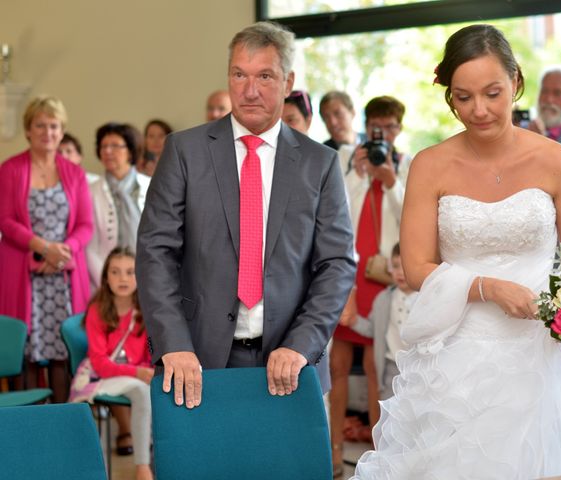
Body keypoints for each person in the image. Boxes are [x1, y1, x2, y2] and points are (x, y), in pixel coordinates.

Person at [352, 24, 561, 479]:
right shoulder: (430, 165)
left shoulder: (560, 161)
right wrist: (486, 287)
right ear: (449, 96)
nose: (479, 110)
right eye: (463, 98)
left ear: (516, 82)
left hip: (543, 349)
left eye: (492, 93)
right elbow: (417, 266)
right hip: (460, 349)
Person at [136, 20, 355, 417]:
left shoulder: (319, 163)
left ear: (288, 82)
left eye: (264, 76)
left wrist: (301, 344)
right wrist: (174, 344)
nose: (249, 90)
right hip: (195, 363)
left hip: (290, 363)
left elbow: (336, 264)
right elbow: (155, 253)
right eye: (239, 74)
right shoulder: (185, 152)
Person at [330, 95, 411, 475]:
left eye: (391, 127)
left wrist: (391, 182)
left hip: (383, 280)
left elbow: (410, 222)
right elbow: (337, 212)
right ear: (367, 127)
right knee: (337, 366)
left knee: (378, 369)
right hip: (349, 278)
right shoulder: (349, 158)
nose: (385, 134)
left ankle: (383, 455)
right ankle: (332, 453)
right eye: (378, 127)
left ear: (399, 128)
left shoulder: (408, 164)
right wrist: (360, 176)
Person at [0, 95, 93, 403]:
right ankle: (27, 426)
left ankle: (63, 424)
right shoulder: (11, 169)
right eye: (40, 125)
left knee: (62, 354)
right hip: (25, 274)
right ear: (28, 130)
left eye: (53, 126)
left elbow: (85, 225)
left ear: (62, 130)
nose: (47, 132)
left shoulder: (75, 173)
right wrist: (42, 247)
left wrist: (62, 251)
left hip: (63, 276)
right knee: (27, 352)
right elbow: (6, 220)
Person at [84, 246, 153, 480]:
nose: (122, 278)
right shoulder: (97, 310)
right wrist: (138, 372)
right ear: (105, 277)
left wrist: (148, 371)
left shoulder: (146, 308)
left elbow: (151, 355)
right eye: (115, 272)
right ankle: (142, 467)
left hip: (139, 375)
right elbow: (100, 363)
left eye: (129, 272)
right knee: (142, 391)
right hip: (104, 378)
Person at [86, 122, 150, 293]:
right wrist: (107, 280)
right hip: (105, 279)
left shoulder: (151, 186)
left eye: (115, 146)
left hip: (147, 276)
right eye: (103, 146)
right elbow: (89, 245)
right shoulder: (90, 191)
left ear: (130, 150)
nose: (107, 151)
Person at [350, 243, 417, 402]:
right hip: (391, 367)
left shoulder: (425, 298)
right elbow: (373, 329)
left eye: (405, 266)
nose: (400, 272)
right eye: (395, 266)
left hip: (419, 367)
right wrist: (353, 321)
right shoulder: (383, 299)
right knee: (390, 414)